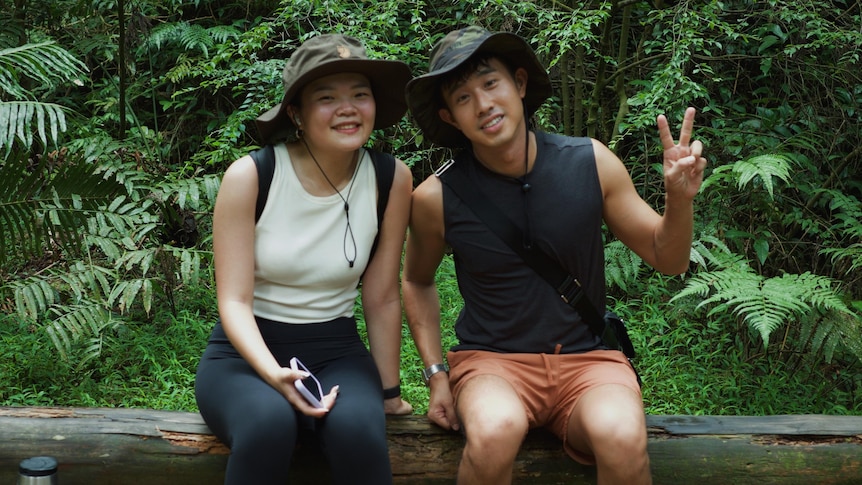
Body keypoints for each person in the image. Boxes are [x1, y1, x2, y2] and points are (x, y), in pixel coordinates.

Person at [402, 26, 707, 485]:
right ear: (449, 117)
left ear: (519, 85)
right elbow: (417, 280)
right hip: (492, 363)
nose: (483, 104)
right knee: (494, 430)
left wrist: (679, 201)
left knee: (623, 436)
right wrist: (436, 374)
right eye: (463, 98)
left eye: (490, 83)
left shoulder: (591, 162)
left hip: (588, 361)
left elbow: (669, 259)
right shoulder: (436, 198)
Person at [195, 33, 414, 485]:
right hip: (244, 356)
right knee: (267, 426)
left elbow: (382, 296)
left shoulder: (392, 178)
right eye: (327, 97)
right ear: (295, 112)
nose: (348, 108)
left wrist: (389, 392)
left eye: (360, 94)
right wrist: (272, 374)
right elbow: (233, 301)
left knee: (358, 433)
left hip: (337, 351)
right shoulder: (253, 175)